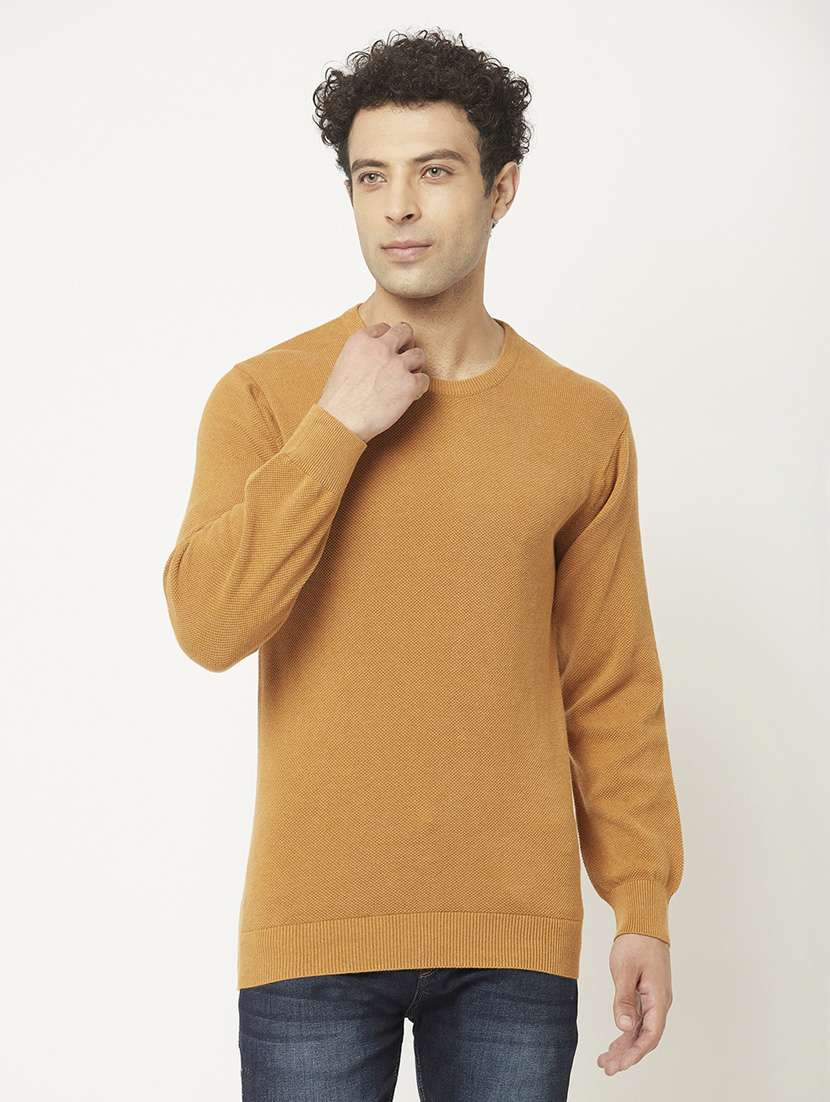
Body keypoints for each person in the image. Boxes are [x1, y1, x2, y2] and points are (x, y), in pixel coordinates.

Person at [162, 28, 684, 1102]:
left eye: (433, 172)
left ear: (501, 191)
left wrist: (640, 902)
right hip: (312, 929)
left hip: (511, 938)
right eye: (371, 177)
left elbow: (611, 685)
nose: (397, 206)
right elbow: (208, 624)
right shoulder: (267, 396)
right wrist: (336, 430)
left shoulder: (580, 422)